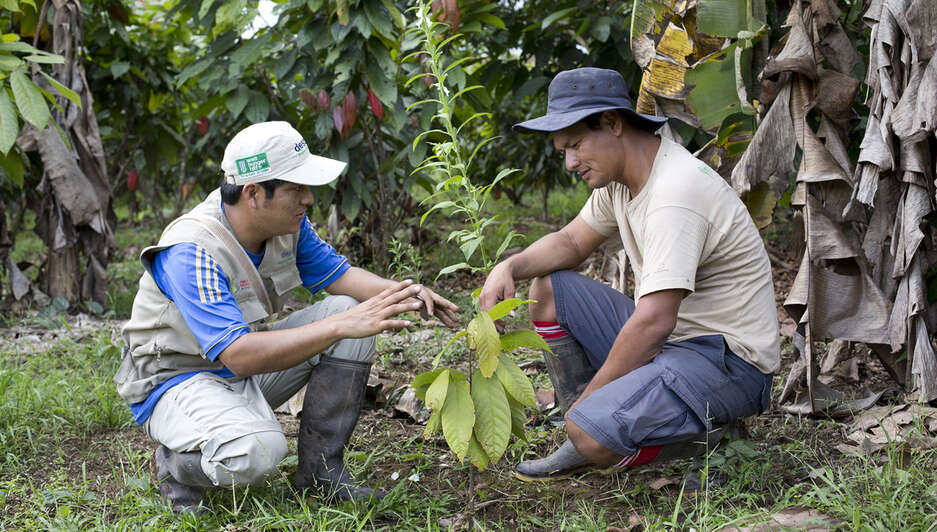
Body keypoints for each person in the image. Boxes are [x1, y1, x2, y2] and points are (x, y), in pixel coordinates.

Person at [115, 121, 459, 513]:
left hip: (234, 371)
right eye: (296, 189)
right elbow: (240, 354)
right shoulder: (192, 250)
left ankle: (319, 472)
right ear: (254, 194)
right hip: (174, 382)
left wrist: (407, 293)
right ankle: (175, 466)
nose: (308, 199)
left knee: (348, 310)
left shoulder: (286, 226)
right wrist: (340, 326)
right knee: (258, 451)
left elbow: (341, 277)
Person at [479, 68, 779, 482]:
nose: (569, 162)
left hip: (728, 363)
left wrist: (591, 399)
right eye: (562, 150)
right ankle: (585, 426)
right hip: (677, 346)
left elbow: (655, 322)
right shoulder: (623, 180)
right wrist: (508, 266)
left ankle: (709, 439)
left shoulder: (675, 194)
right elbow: (570, 243)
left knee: (590, 432)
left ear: (613, 124)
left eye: (575, 145)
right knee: (548, 288)